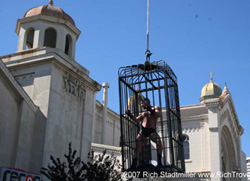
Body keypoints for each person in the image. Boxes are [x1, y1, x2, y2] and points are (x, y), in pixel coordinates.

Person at [126, 98, 162, 168]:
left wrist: (150, 109)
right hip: (143, 130)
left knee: (158, 142)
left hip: (151, 130)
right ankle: (134, 163)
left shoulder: (155, 108)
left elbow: (158, 114)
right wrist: (130, 114)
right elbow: (136, 120)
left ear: (146, 102)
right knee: (138, 146)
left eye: (142, 103)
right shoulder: (143, 113)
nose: (141, 105)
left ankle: (159, 162)